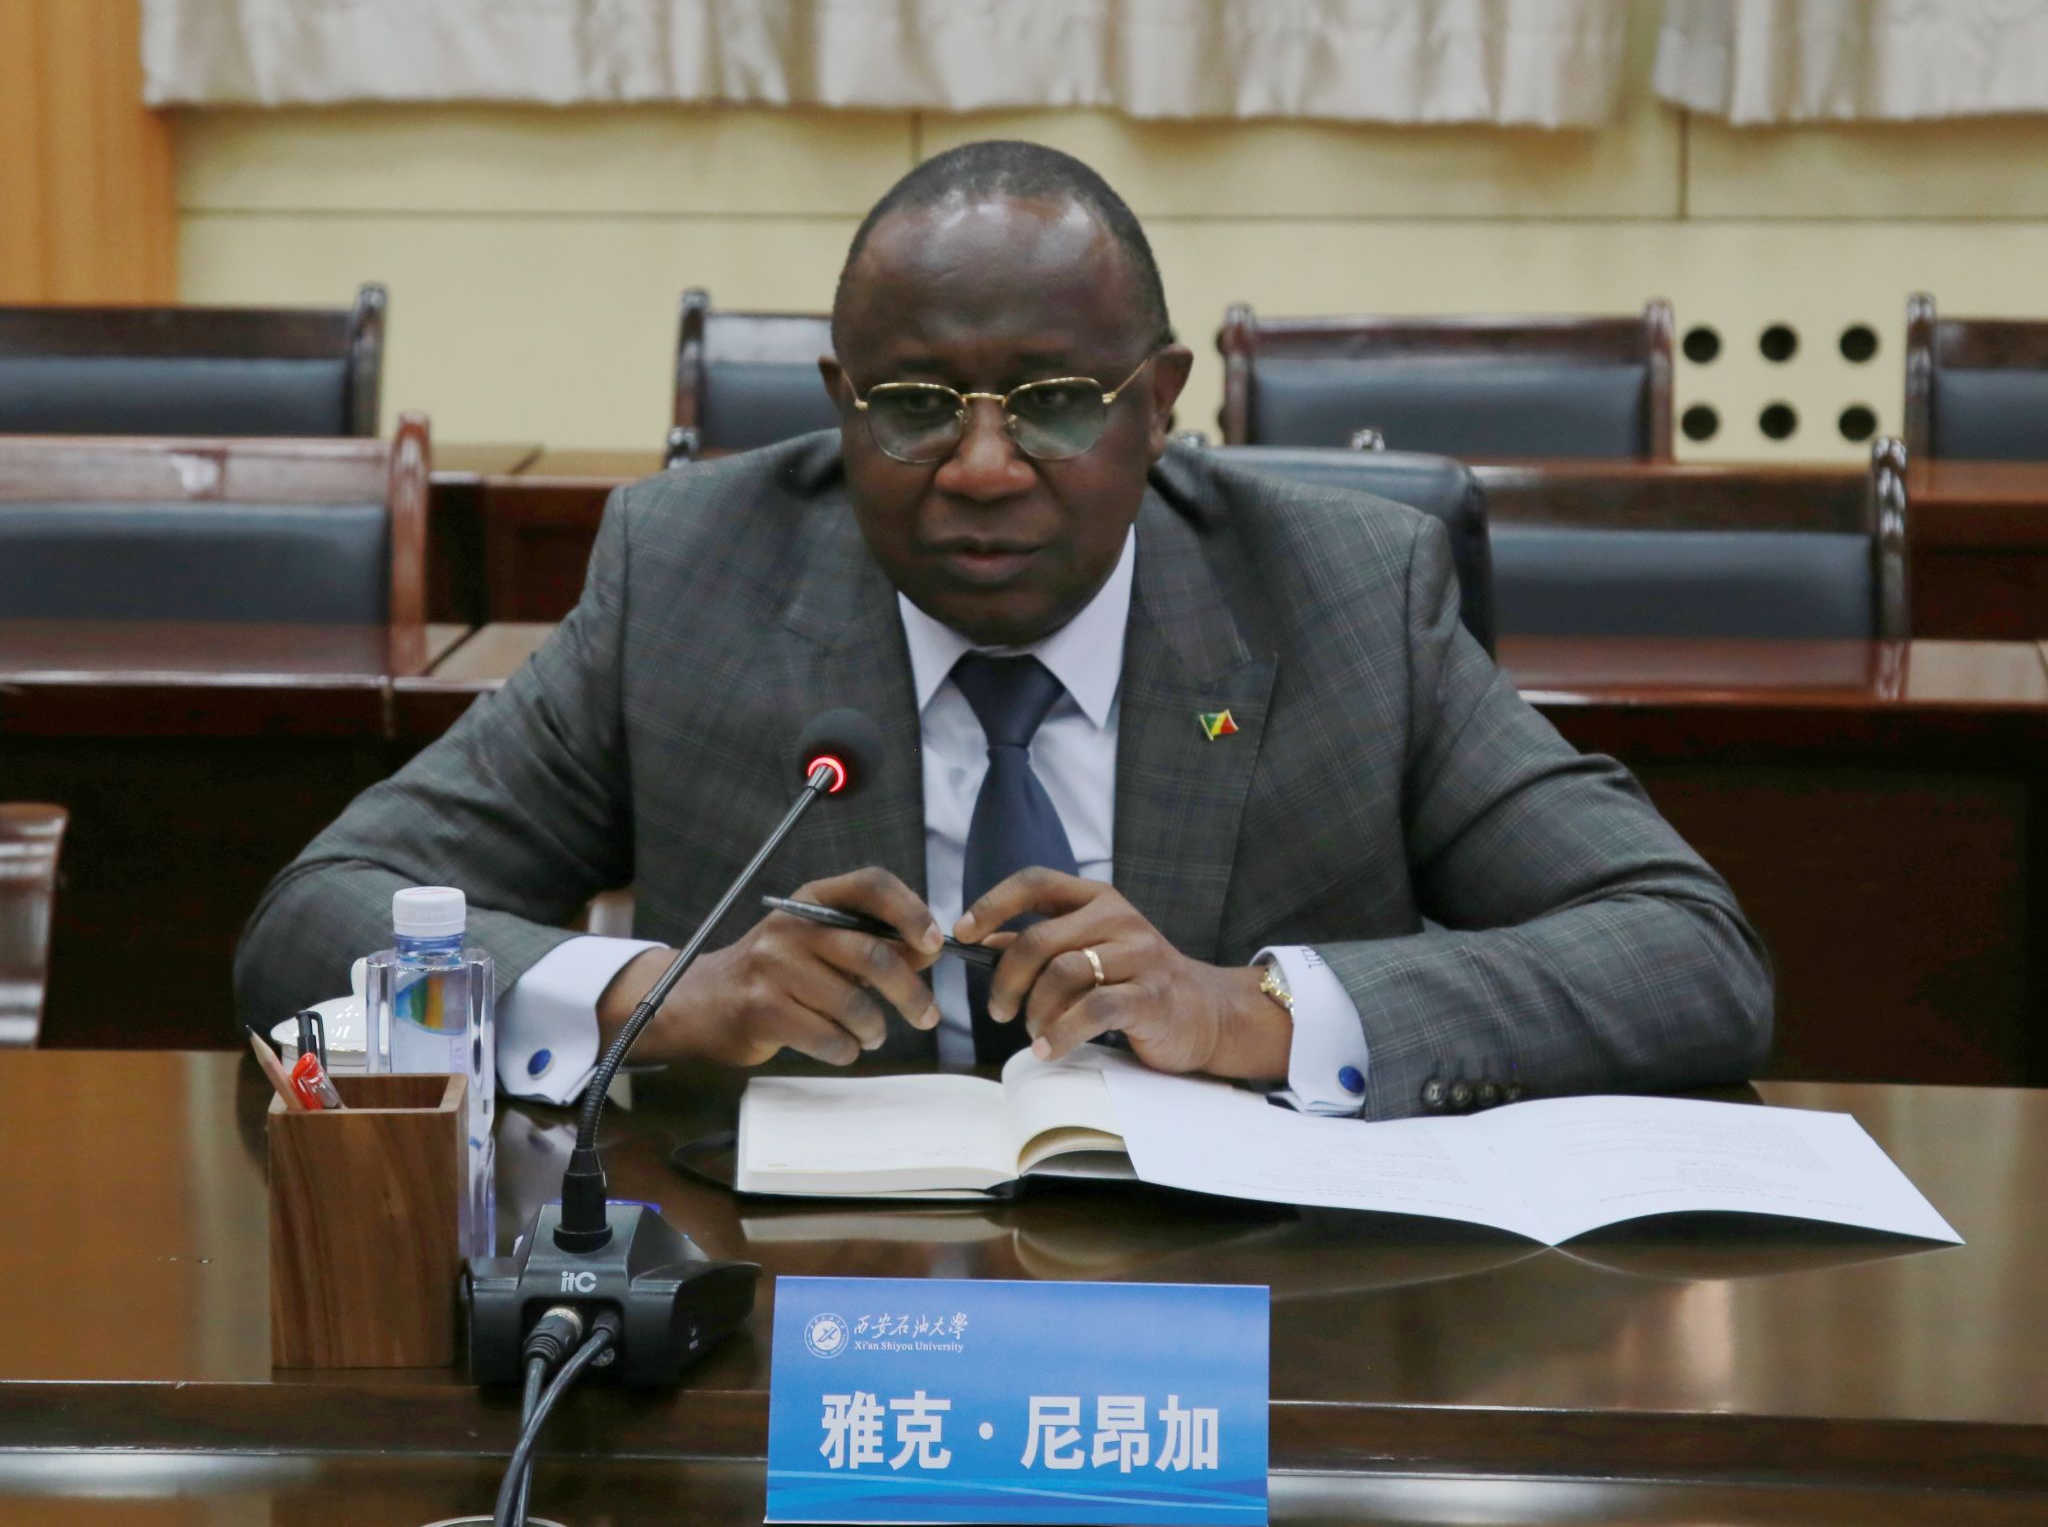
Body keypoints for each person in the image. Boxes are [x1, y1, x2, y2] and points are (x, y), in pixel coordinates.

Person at [237, 141, 1771, 1120]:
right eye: (913, 405)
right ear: (840, 406)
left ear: (1160, 404)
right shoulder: (691, 575)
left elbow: (1690, 952)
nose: (980, 465)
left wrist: (1252, 1010)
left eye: (1056, 403)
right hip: (789, 1319)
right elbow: (317, 921)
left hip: (1255, 1316)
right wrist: (661, 996)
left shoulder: (1348, 594)